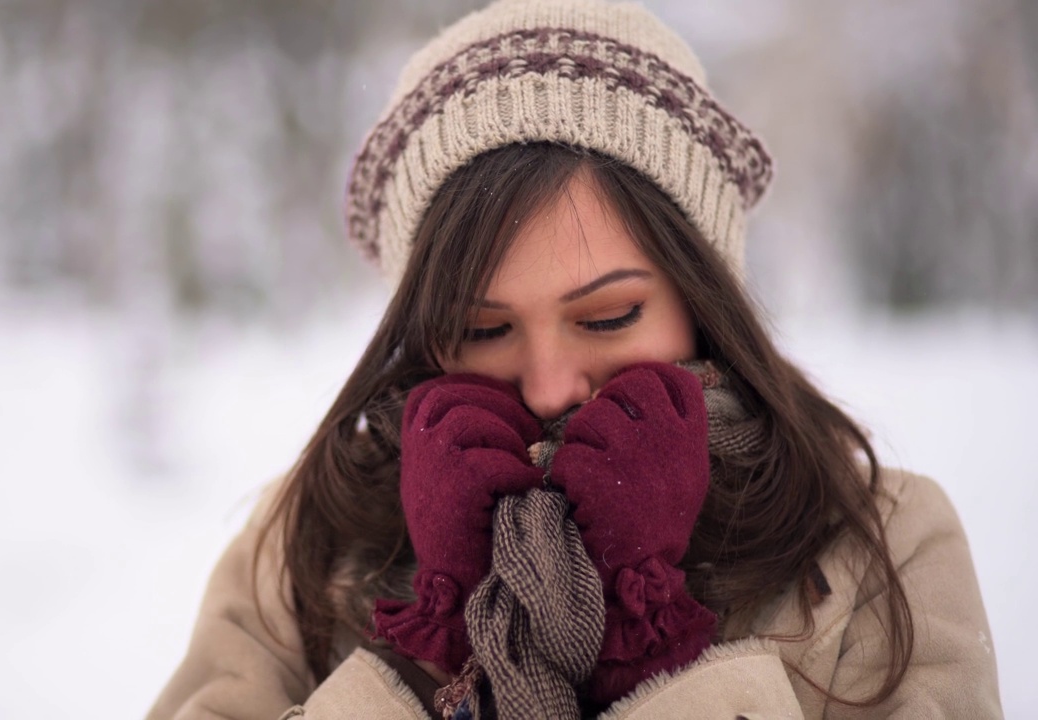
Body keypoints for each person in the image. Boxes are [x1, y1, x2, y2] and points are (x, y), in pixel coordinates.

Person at [146, 1, 1002, 717]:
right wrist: (429, 644)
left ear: (703, 298)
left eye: (610, 316)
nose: (552, 385)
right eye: (484, 329)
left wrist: (653, 641)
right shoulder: (304, 540)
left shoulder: (880, 544)